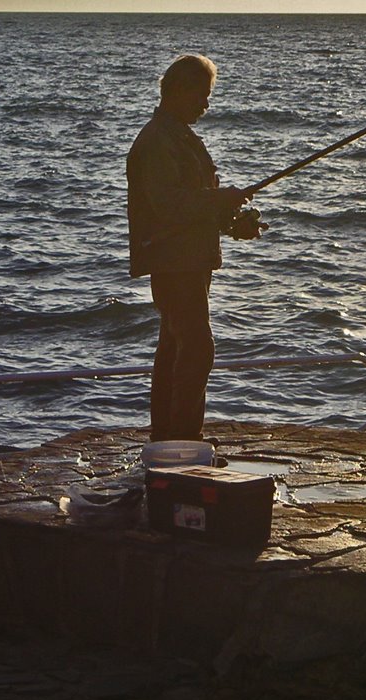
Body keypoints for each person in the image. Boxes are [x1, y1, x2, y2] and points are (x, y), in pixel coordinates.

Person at [127, 54, 265, 443]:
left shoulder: (180, 138)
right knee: (197, 347)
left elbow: (192, 203)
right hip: (173, 263)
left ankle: (169, 439)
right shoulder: (157, 141)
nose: (206, 105)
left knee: (174, 347)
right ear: (179, 90)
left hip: (189, 260)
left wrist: (231, 223)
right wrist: (221, 199)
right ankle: (184, 441)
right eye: (201, 96)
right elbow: (167, 204)